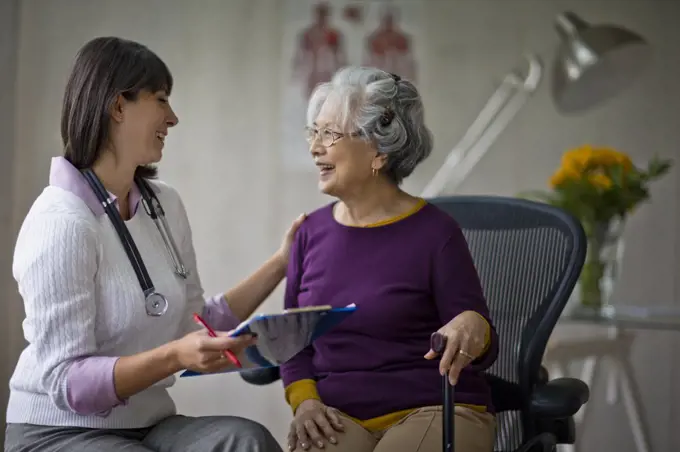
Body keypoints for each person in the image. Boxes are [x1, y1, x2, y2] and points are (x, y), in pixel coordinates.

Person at [4, 36, 302, 452]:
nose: (173, 117)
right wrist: (175, 357)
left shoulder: (165, 206)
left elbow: (196, 321)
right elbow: (67, 383)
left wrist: (282, 262)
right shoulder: (61, 221)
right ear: (118, 106)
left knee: (244, 440)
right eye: (161, 99)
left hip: (149, 424)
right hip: (60, 431)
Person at [280, 66, 498, 452]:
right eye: (313, 132)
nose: (315, 147)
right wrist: (305, 402)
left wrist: (472, 324)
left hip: (435, 407)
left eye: (329, 133)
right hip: (338, 414)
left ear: (379, 151)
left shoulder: (436, 232)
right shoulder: (308, 235)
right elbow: (292, 344)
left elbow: (480, 337)